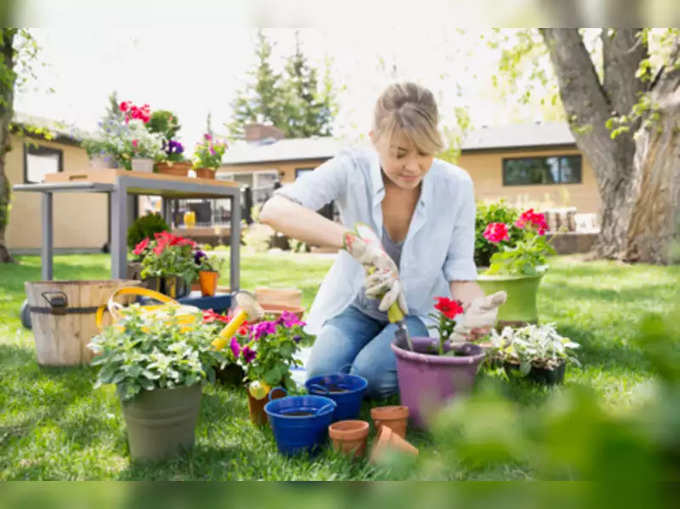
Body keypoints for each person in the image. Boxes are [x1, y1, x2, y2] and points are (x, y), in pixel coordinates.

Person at [260, 82, 495, 398]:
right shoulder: (351, 169)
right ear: (374, 140)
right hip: (359, 306)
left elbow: (461, 273)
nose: (413, 166)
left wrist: (477, 307)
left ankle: (401, 359)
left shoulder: (455, 185)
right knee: (321, 377)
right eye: (399, 153)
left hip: (418, 311)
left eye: (424, 152)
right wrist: (358, 245)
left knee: (370, 377)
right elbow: (275, 209)